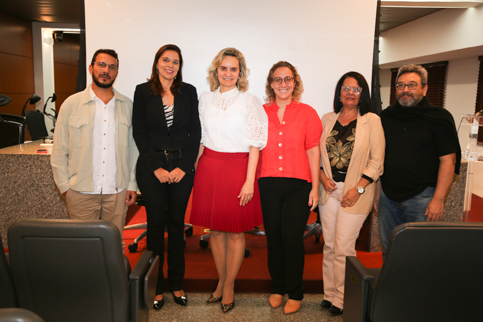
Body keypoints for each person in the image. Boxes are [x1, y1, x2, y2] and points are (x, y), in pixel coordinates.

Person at [189, 47, 268, 313]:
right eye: (223, 68)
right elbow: (201, 138)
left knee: (235, 231)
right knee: (216, 230)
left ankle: (229, 286)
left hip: (238, 168)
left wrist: (249, 181)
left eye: (234, 69)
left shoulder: (249, 101)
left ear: (240, 73)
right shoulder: (204, 99)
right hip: (209, 167)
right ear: (216, 71)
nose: (228, 73)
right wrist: (195, 169)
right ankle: (222, 281)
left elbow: (255, 145)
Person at [132, 44, 201, 310]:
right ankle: (156, 286)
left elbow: (195, 132)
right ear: (157, 63)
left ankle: (177, 283)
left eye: (175, 61)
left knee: (176, 226)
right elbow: (140, 133)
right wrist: (156, 168)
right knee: (155, 226)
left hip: (182, 167)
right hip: (153, 167)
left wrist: (184, 166)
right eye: (165, 60)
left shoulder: (189, 92)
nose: (170, 65)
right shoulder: (142, 91)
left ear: (179, 66)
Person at [51, 49, 139, 249]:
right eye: (101, 65)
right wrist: (65, 187)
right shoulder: (71, 104)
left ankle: (113, 281)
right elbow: (59, 150)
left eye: (112, 67)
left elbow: (134, 149)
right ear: (91, 68)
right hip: (81, 190)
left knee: (113, 245)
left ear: (116, 73)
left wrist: (131, 183)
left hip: (116, 191)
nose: (106, 70)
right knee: (82, 246)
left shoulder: (127, 105)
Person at [319, 72, 385, 316]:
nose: (350, 93)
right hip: (328, 191)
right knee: (329, 246)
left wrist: (358, 189)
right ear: (339, 92)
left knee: (344, 247)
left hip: (355, 194)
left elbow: (377, 162)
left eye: (356, 89)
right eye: (346, 88)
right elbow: (315, 154)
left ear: (363, 94)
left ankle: (343, 297)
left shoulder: (372, 121)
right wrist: (323, 178)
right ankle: (329, 293)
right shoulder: (327, 119)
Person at [258, 61, 322, 314]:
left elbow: (313, 151)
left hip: (299, 185)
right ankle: (277, 287)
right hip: (269, 183)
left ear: (295, 82)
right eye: (277, 79)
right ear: (271, 83)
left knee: (292, 239)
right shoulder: (261, 112)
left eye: (287, 79)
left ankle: (295, 292)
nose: (282, 84)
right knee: (273, 238)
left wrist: (315, 188)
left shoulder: (307, 113)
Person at [378, 64, 461, 258]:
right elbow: (378, 158)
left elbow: (448, 161)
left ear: (424, 88)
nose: (405, 90)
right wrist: (377, 193)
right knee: (389, 249)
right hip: (388, 198)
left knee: (419, 252)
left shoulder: (439, 118)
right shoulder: (385, 117)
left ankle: (415, 289)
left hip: (423, 199)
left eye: (412, 85)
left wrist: (438, 200)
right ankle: (392, 288)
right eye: (401, 85)